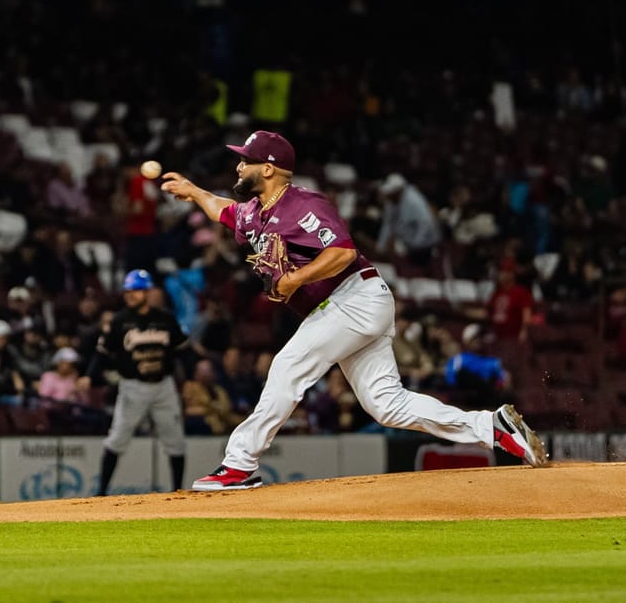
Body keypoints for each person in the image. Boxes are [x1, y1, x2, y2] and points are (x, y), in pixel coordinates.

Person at [161, 130, 547, 491]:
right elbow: (224, 210)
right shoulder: (255, 213)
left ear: (269, 168)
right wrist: (193, 191)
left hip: (353, 298)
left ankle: (239, 464)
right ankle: (492, 428)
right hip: (348, 306)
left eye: (246, 160)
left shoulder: (303, 205)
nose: (238, 166)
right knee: (388, 405)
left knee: (287, 365)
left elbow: (342, 251)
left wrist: (295, 280)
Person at [90, 270, 189, 495]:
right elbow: (102, 352)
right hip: (133, 387)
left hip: (164, 386)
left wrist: (189, 379)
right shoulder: (120, 321)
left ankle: (178, 491)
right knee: (117, 439)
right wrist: (89, 375)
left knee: (175, 441)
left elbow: (184, 350)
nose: (130, 296)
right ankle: (101, 492)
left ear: (147, 292)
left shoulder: (165, 319)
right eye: (128, 292)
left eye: (135, 291)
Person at [375, 173, 441, 266]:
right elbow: (388, 224)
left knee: (417, 271)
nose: (388, 196)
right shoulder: (391, 201)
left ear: (398, 191)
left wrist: (416, 245)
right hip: (407, 243)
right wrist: (381, 246)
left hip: (425, 245)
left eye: (391, 193)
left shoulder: (414, 200)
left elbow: (426, 223)